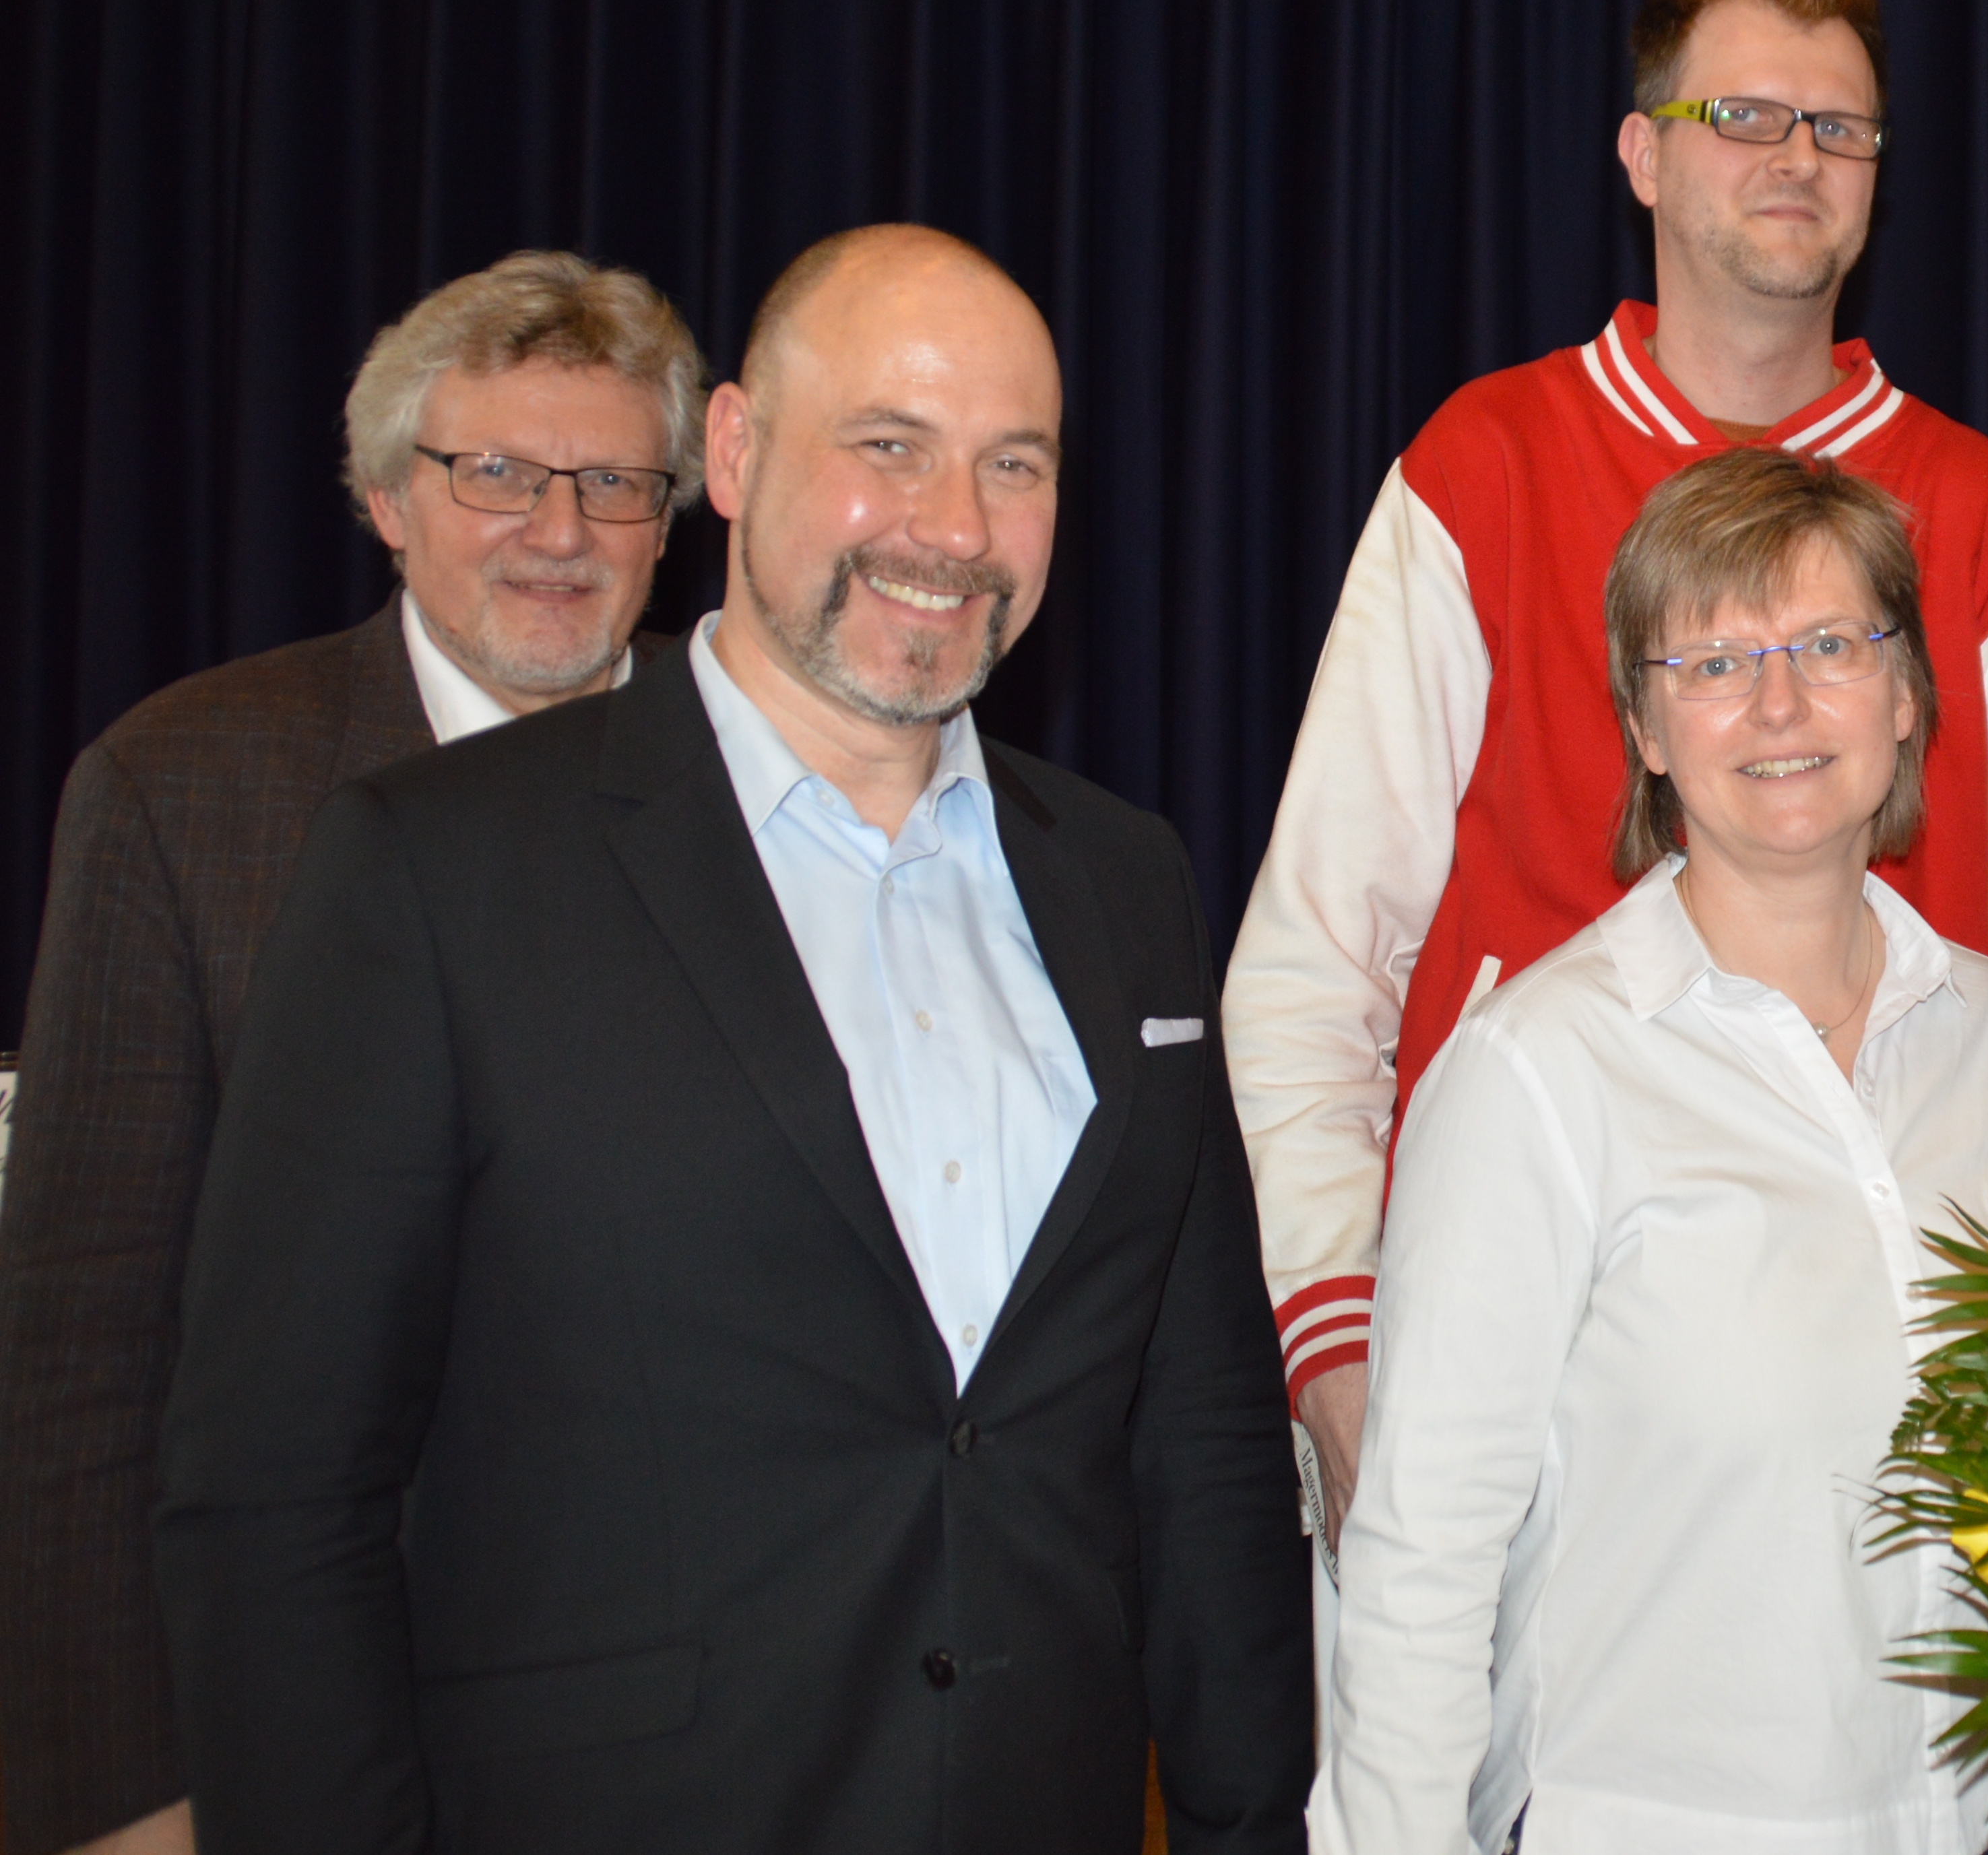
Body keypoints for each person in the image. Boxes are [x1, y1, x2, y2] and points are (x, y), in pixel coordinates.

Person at [154, 226, 1312, 1850]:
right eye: (888, 447)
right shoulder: (432, 869)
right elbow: (276, 1498)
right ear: (737, 450)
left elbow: (1201, 1447)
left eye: (1014, 464)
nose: (954, 527)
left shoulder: (1130, 881)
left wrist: (1250, 1822)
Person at [1224, 0, 1988, 1536]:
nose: (1797, 157)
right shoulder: (1482, 466)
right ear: (1642, 154)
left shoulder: (1978, 513)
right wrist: (1338, 1336)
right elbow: (1315, 958)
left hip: (1898, 1386)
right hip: (1522, 1347)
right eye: (1745, 116)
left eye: (1839, 126)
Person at [1326, 447, 1988, 1854]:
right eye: (1709, 661)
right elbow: (1420, 1561)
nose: (1777, 700)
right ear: (1644, 727)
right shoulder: (1537, 1070)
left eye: (1830, 643)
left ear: (1905, 695)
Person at [0, 250, 698, 1855]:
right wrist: (123, 1791)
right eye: (496, 474)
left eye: (612, 482)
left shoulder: (767, 802)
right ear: (388, 498)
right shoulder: (182, 787)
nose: (558, 531)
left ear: (673, 518)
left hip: (680, 1732)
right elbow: (82, 1354)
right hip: (301, 1731)